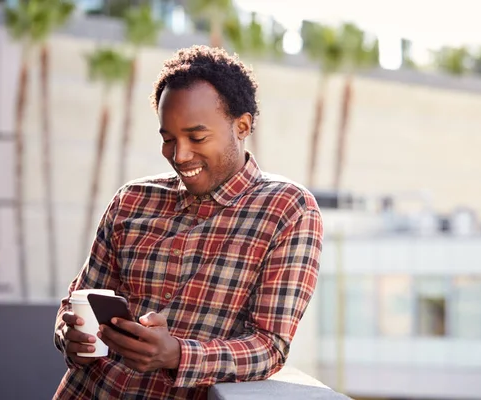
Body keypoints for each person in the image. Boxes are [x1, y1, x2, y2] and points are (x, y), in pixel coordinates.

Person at [53, 45, 323, 399]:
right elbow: (77, 301)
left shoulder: (289, 209)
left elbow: (269, 347)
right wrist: (68, 335)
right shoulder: (131, 200)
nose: (179, 156)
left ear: (242, 125)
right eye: (168, 139)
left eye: (197, 138)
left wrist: (176, 354)